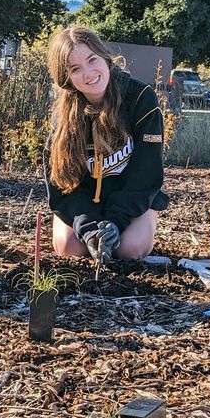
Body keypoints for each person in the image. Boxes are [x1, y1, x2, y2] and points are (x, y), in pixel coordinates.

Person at [45, 26, 168, 262]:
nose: (89, 73)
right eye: (75, 69)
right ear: (66, 78)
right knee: (70, 250)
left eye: (92, 60)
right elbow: (61, 183)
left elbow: (146, 174)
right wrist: (87, 227)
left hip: (131, 202)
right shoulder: (63, 115)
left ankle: (143, 223)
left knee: (129, 249)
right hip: (83, 205)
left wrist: (116, 222)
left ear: (104, 57)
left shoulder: (141, 98)